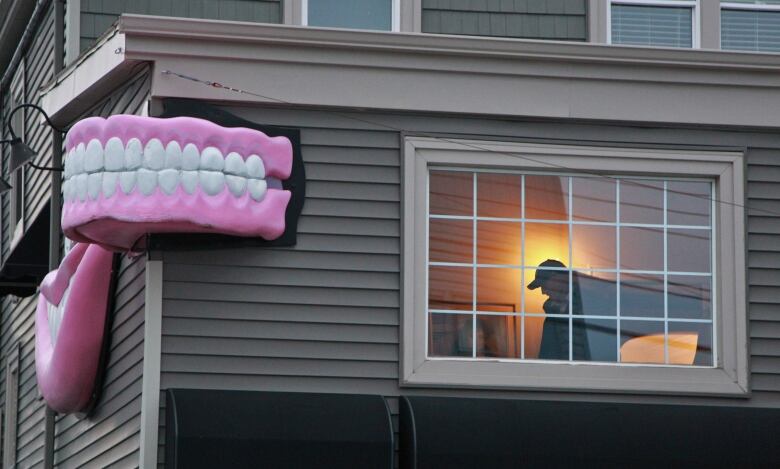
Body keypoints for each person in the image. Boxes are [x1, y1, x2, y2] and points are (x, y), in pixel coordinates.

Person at [527, 259, 590, 361]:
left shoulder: (588, 303)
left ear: (558, 278)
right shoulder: (553, 313)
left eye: (544, 285)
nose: (543, 291)